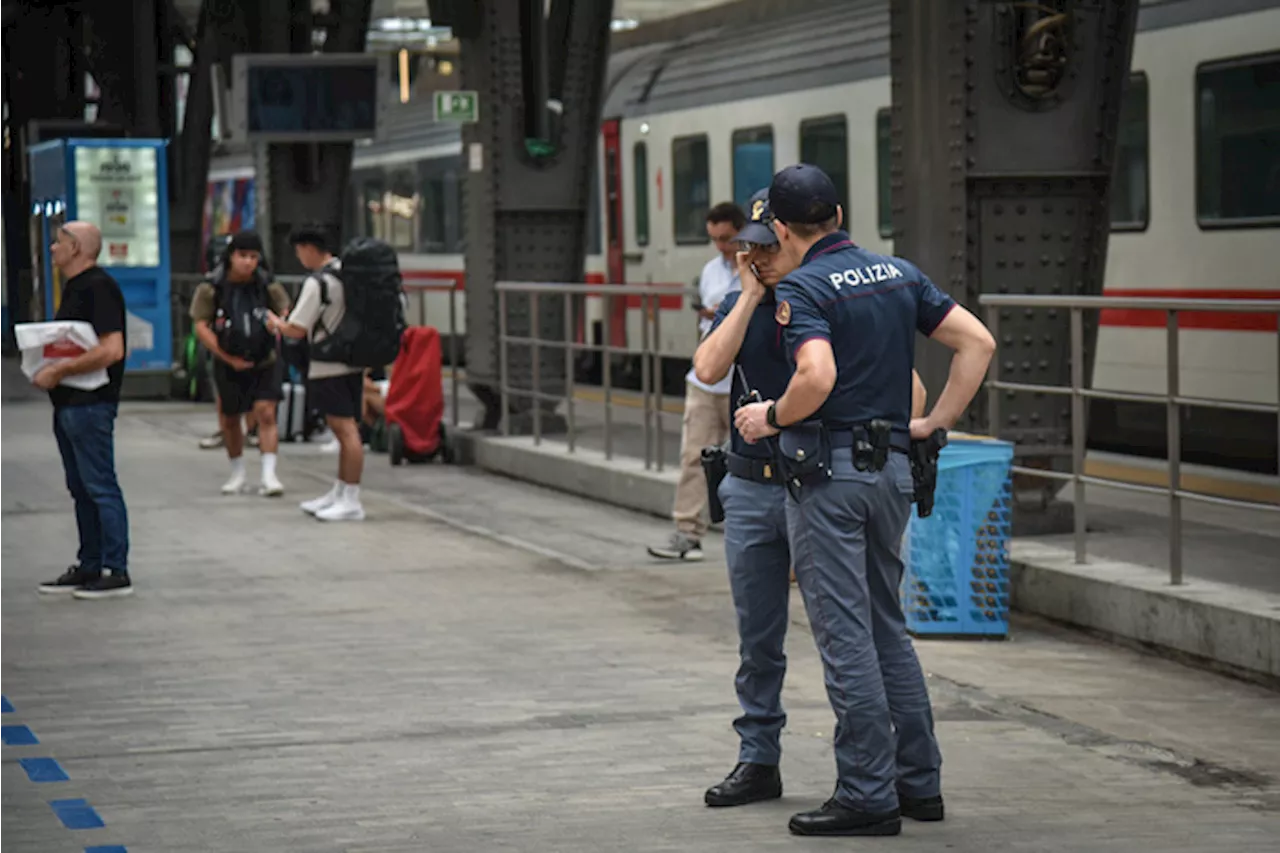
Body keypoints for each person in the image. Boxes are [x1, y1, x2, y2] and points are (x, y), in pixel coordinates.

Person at [734, 164, 995, 838]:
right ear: (840, 213)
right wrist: (935, 422)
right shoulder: (899, 273)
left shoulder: (804, 286)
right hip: (895, 473)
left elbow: (815, 375)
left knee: (845, 636)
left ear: (784, 229)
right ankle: (919, 782)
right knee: (887, 628)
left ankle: (866, 792)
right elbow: (978, 341)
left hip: (832, 479)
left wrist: (773, 416)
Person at [696, 189, 931, 811]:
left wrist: (868, 452)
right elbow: (708, 367)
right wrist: (748, 297)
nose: (760, 257)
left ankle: (881, 781)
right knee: (760, 636)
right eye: (751, 247)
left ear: (794, 239)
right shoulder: (750, 302)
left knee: (858, 635)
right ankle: (758, 758)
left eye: (769, 246)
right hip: (752, 485)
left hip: (821, 482)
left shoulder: (831, 301)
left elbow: (907, 389)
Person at [33, 221, 133, 599]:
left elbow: (112, 349)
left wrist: (59, 369)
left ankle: (115, 568)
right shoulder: (75, 288)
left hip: (91, 404)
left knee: (99, 484)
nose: (52, 248)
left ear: (76, 248)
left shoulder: (98, 287)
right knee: (80, 487)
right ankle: (90, 562)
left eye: (59, 242)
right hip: (69, 403)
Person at [647, 201, 745, 561]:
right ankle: (687, 533)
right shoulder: (710, 272)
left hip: (742, 383)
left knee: (750, 465)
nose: (722, 246)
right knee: (693, 457)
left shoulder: (759, 269)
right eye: (716, 239)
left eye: (728, 238)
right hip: (705, 382)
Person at [268, 225, 366, 522]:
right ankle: (340, 491)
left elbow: (297, 329)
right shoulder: (349, 273)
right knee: (347, 430)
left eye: (299, 251)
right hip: (352, 361)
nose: (299, 257)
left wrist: (275, 323)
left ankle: (351, 499)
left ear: (310, 248)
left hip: (328, 364)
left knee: (345, 431)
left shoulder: (319, 283)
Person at [189, 231, 291, 496]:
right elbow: (201, 325)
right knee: (230, 418)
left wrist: (278, 322)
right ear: (231, 256)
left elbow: (284, 310)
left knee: (266, 412)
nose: (248, 262)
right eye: (242, 256)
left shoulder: (267, 284)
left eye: (253, 257)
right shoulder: (211, 286)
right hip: (228, 362)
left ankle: (269, 475)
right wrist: (226, 357)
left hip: (265, 359)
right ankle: (238, 473)